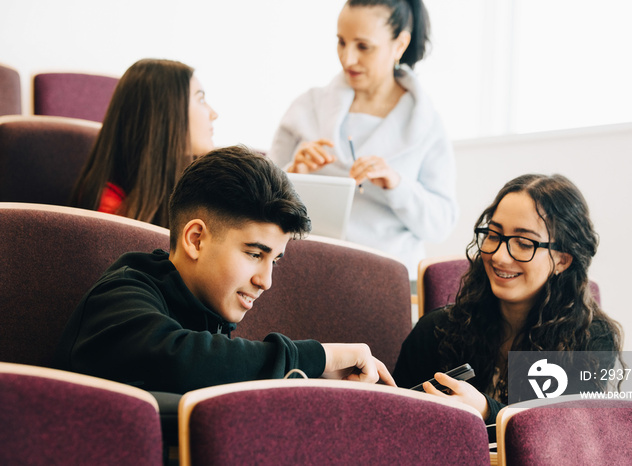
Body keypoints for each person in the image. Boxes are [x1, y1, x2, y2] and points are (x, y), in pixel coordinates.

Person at [54, 146, 395, 393]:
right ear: (196, 239)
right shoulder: (120, 296)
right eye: (254, 254)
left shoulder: (206, 317)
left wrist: (313, 376)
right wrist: (319, 357)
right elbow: (183, 360)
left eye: (274, 260)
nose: (266, 281)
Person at [392, 174, 623, 424]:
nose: (500, 256)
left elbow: (560, 439)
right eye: (493, 235)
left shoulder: (589, 340)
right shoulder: (435, 331)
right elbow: (395, 426)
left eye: (524, 243)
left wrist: (487, 411)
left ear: (562, 260)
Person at [267, 0, 458, 280]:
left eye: (363, 46)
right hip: (303, 272)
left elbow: (440, 224)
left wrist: (397, 184)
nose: (348, 58)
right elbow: (257, 201)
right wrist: (292, 173)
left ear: (400, 45)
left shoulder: (426, 126)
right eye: (341, 42)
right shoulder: (307, 107)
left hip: (384, 280)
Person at [70, 58, 218, 228]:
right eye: (200, 99)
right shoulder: (111, 210)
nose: (214, 114)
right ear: (167, 115)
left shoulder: (199, 185)